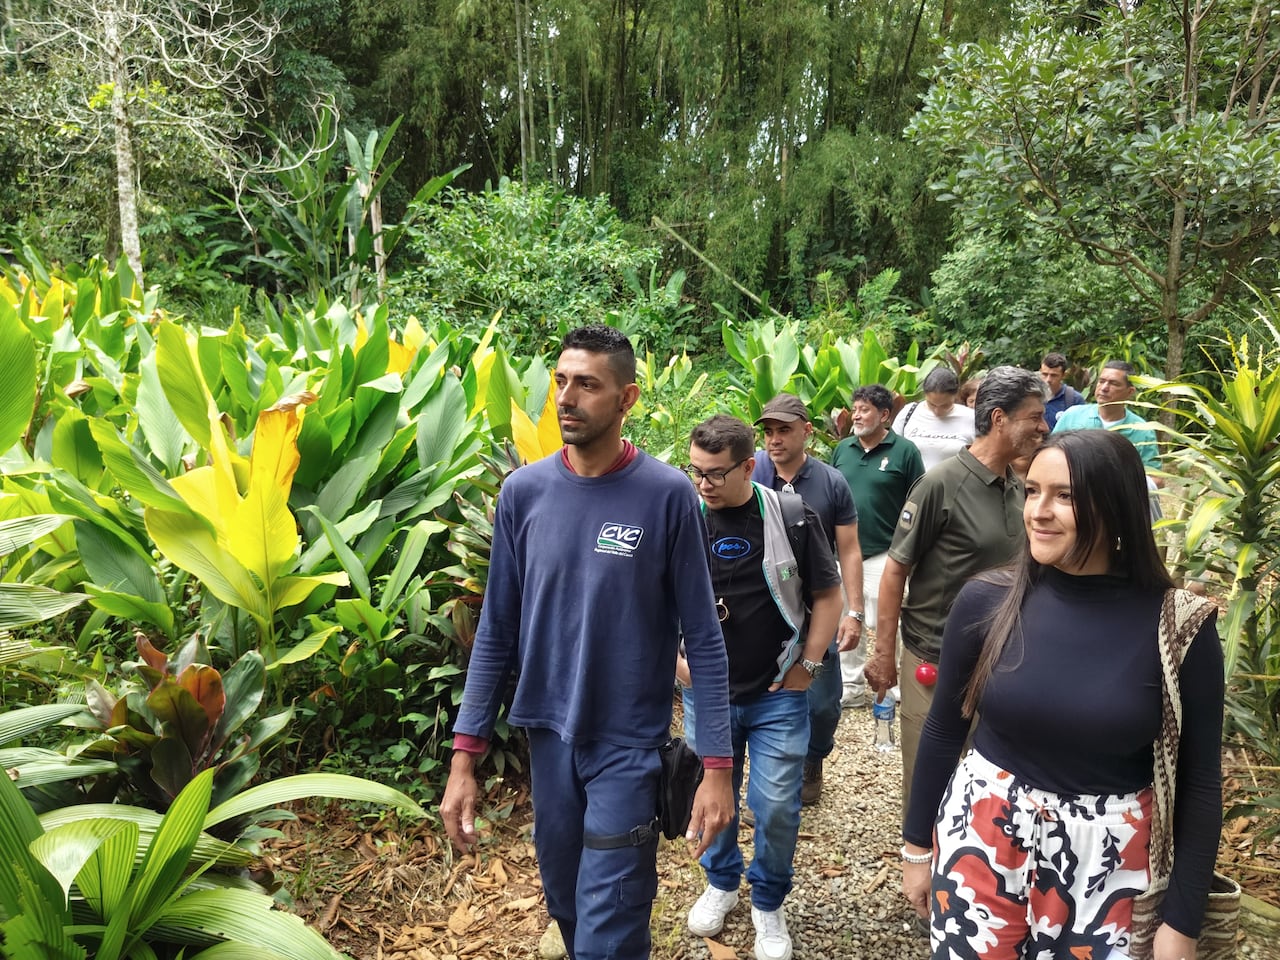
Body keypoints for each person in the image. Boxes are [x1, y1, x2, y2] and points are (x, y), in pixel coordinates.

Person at [441, 325, 735, 960]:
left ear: (626, 399)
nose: (567, 398)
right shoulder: (524, 494)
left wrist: (717, 765)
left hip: (628, 747)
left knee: (612, 916)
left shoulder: (665, 496)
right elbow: (496, 630)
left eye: (588, 385)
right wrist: (465, 757)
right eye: (561, 382)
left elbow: (705, 643)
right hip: (548, 737)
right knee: (568, 904)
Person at [901, 430, 1224, 960]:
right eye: (1032, 491)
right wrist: (916, 848)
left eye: (1066, 496)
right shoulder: (988, 600)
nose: (1039, 511)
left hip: (1108, 866)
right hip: (980, 841)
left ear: (1117, 506)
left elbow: (1200, 783)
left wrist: (1181, 923)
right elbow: (943, 729)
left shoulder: (1180, 628)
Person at [678, 414, 843, 960]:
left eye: (716, 474)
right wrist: (672, 665)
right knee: (713, 802)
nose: (703, 484)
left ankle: (768, 901)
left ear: (751, 466)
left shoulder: (791, 515)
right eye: (695, 471)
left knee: (774, 805)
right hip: (708, 696)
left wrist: (809, 666)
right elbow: (648, 603)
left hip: (776, 693)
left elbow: (827, 596)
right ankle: (722, 882)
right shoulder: (683, 518)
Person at [867, 366, 1049, 817]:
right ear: (1000, 419)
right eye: (1035, 417)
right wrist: (884, 655)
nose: (1045, 427)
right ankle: (923, 872)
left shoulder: (1018, 487)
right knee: (932, 783)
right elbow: (895, 572)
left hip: (1004, 658)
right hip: (935, 659)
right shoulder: (941, 485)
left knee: (988, 782)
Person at [751, 393, 866, 805]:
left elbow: (849, 548)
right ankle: (773, 782)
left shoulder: (830, 482)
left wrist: (855, 611)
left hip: (819, 605)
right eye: (768, 431)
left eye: (784, 430)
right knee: (767, 696)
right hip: (763, 609)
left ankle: (814, 758)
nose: (774, 439)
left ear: (807, 431)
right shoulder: (750, 473)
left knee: (822, 704)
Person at [829, 385, 925, 709]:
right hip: (844, 551)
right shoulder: (842, 450)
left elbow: (918, 500)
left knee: (889, 619)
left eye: (864, 409)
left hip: (887, 551)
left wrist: (909, 548)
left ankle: (891, 680)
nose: (856, 415)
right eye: (855, 409)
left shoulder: (905, 451)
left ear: (884, 415)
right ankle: (851, 686)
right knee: (847, 617)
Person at [1052, 359, 1160, 473]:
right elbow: (1049, 454)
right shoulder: (1073, 416)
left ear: (1130, 392)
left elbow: (1155, 477)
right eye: (1101, 381)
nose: (1104, 388)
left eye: (1113, 383)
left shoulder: (1142, 431)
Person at [892, 367, 976, 472]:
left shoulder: (971, 418)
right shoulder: (909, 413)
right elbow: (893, 452)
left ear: (955, 396)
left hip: (954, 485)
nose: (937, 411)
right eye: (931, 404)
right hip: (913, 485)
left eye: (945, 405)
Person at [1039, 351, 1084, 429]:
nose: (1048, 380)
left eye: (1053, 375)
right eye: (1045, 374)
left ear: (1064, 375)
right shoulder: (1033, 396)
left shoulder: (1073, 399)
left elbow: (1081, 429)